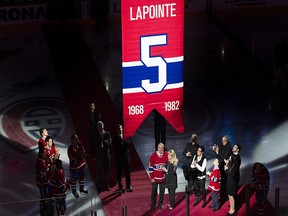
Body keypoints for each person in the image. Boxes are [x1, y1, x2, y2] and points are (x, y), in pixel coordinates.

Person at [91, 121, 112, 191]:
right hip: (99, 156)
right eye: (99, 125)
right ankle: (99, 186)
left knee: (106, 171)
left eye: (102, 125)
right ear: (97, 127)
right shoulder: (95, 135)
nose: (101, 127)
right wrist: (100, 147)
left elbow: (110, 142)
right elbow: (94, 146)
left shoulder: (107, 133)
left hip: (106, 155)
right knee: (99, 171)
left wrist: (109, 142)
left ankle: (106, 184)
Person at [112, 124, 133, 193]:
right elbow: (115, 148)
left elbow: (129, 144)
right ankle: (120, 187)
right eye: (119, 129)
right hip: (119, 158)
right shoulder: (114, 138)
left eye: (121, 128)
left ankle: (128, 186)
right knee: (119, 173)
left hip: (126, 157)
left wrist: (124, 141)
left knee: (127, 172)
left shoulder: (125, 136)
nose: (120, 130)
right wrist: (121, 142)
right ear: (116, 130)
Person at [212, 135, 232, 204]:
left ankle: (224, 196)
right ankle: (222, 194)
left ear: (227, 141)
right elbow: (218, 156)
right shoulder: (222, 147)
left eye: (224, 141)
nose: (223, 142)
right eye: (222, 141)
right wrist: (215, 151)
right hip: (220, 166)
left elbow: (225, 158)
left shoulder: (229, 148)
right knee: (221, 182)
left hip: (225, 167)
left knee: (224, 182)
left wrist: (218, 152)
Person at [148, 142, 168, 212]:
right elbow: (150, 167)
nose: (160, 149)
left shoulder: (166, 154)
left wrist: (175, 161)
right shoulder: (153, 155)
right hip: (155, 178)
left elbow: (171, 159)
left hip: (163, 177)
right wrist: (152, 178)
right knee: (153, 192)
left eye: (162, 148)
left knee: (162, 192)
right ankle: (153, 205)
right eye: (159, 148)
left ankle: (160, 204)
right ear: (157, 148)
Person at [35, 148, 54, 216]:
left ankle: (49, 207)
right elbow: (42, 175)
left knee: (49, 194)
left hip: (47, 181)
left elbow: (50, 163)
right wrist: (49, 171)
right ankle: (43, 210)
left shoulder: (45, 159)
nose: (46, 153)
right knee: (44, 197)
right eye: (44, 152)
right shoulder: (39, 163)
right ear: (41, 154)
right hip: (42, 183)